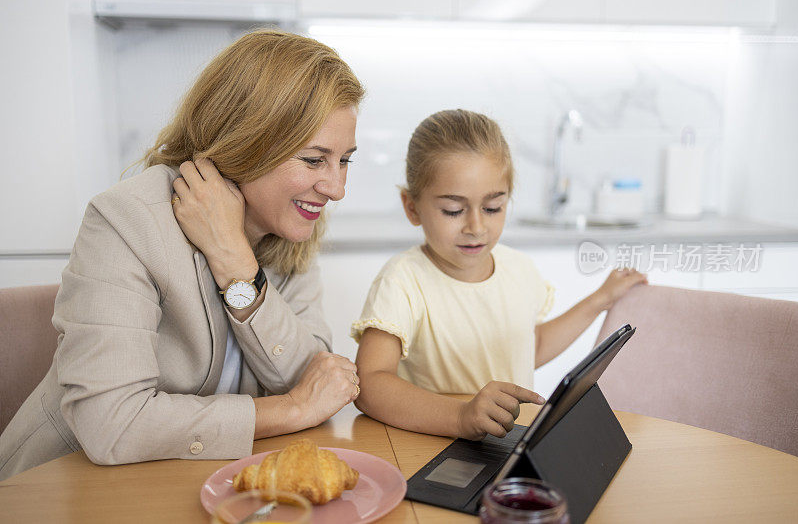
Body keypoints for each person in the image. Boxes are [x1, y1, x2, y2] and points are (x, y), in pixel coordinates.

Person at [0, 29, 365, 481]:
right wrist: (288, 411)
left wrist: (237, 267)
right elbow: (111, 423)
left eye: (345, 159)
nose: (336, 188)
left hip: (195, 478)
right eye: (314, 160)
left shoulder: (293, 226)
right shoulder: (127, 219)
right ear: (247, 140)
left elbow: (316, 378)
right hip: (61, 487)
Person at [351, 109, 647, 440]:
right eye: (453, 210)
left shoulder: (519, 270)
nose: (476, 227)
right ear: (412, 207)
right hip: (432, 446)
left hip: (507, 443)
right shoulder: (403, 281)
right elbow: (371, 383)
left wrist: (600, 300)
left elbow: (529, 348)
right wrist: (460, 416)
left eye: (493, 208)